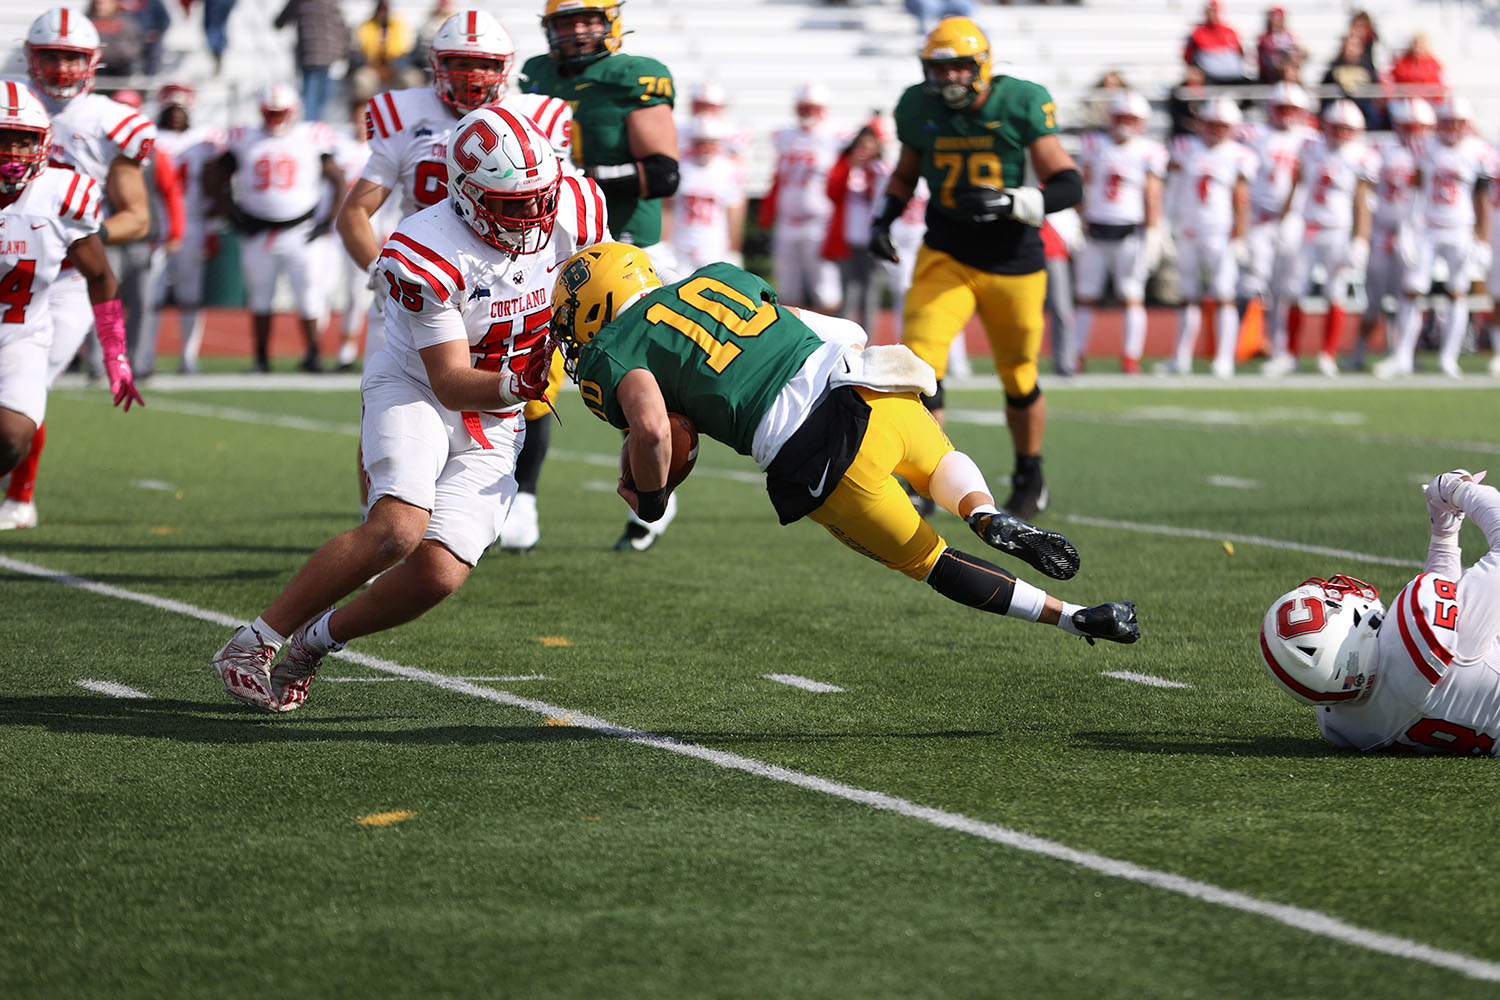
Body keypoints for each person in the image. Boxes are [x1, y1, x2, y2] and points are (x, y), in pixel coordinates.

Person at [208, 107, 610, 713]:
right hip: (419, 387)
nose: (533, 215)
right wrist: (523, 381)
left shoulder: (575, 205)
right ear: (469, 195)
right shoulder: (422, 250)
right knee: (396, 531)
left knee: (440, 574)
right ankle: (254, 641)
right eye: (513, 202)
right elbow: (450, 380)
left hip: (500, 409)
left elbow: (599, 285)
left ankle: (316, 642)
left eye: (540, 197)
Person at [550, 242, 1139, 648]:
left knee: (929, 561)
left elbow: (654, 429)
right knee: (938, 464)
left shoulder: (612, 351)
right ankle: (984, 511)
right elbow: (822, 324)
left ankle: (1075, 617)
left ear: (594, 305)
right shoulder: (717, 277)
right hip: (862, 385)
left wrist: (651, 502)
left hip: (813, 454)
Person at [340, 10, 575, 546]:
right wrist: (380, 271)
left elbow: (560, 202)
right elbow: (354, 213)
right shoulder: (404, 117)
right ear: (435, 64)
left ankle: (485, 513)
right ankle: (381, 516)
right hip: (426, 285)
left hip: (508, 278)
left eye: (482, 63)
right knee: (390, 407)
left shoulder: (538, 117)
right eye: (459, 62)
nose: (471, 75)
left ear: (506, 68)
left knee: (518, 392)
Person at [869, 16, 1082, 519]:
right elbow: (904, 173)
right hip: (946, 252)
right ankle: (926, 476)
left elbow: (1069, 186)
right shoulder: (917, 107)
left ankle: (1029, 470)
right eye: (940, 70)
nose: (950, 80)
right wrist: (884, 216)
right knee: (918, 365)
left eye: (961, 68)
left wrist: (1010, 201)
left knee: (1018, 374)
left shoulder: (1019, 101)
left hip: (1013, 259)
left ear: (982, 66)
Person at [518, 0, 682, 553]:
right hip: (551, 241)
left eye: (588, 19)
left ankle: (654, 484)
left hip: (621, 244)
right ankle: (521, 498)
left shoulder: (632, 77)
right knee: (529, 359)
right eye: (566, 22)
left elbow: (663, 172)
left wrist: (578, 180)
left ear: (611, 22)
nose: (578, 31)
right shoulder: (535, 76)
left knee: (628, 377)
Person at [2, 7, 149, 532]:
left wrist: (74, 235)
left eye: (72, 56)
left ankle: (20, 496)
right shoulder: (7, 98)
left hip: (59, 277)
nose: (62, 67)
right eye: (51, 55)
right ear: (29, 57)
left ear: (92, 62)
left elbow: (137, 216)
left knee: (24, 389)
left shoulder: (107, 122)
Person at [1259, 470, 1500, 755]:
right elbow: (1452, 630)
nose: (1339, 591)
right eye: (1332, 599)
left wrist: (1444, 533)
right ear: (1346, 639)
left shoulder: (1346, 727)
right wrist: (1457, 489)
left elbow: (1453, 625)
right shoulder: (1426, 639)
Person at [207, 83, 344, 373]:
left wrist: (327, 220)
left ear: (293, 112)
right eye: (270, 112)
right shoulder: (245, 138)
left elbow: (338, 180)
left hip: (301, 230)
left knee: (309, 295)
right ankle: (260, 359)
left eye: (280, 112)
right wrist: (232, 214)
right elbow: (214, 177)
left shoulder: (311, 137)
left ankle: (313, 355)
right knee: (260, 297)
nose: (274, 118)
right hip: (258, 231)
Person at [1375, 98, 1496, 379]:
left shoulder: (1478, 152)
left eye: (1458, 123)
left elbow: (1482, 198)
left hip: (1460, 229)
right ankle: (1403, 356)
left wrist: (1483, 238)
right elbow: (1415, 190)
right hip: (1428, 227)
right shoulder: (1424, 146)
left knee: (1457, 290)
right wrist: (1407, 227)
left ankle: (1448, 358)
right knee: (1412, 288)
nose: (1453, 128)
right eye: (1448, 122)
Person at [1261, 100, 1376, 378]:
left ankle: (1328, 354)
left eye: (1346, 128)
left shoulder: (1361, 156)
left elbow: (1362, 203)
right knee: (1295, 290)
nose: (1340, 133)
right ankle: (1290, 354)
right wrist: (1285, 217)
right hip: (1308, 227)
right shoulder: (1311, 147)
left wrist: (1360, 239)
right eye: (1336, 127)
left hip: (1338, 230)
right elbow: (1297, 184)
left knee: (1334, 292)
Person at [1072, 90, 1167, 375]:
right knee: (1086, 294)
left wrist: (1153, 230)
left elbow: (1153, 193)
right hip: (1096, 227)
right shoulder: (1094, 144)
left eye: (1131, 118)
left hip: (1130, 229)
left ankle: (1130, 356)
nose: (1124, 123)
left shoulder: (1149, 150)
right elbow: (1082, 184)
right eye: (1120, 117)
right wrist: (1077, 220)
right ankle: (1077, 355)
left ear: (1142, 122)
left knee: (1131, 294)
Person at [1163, 97, 1254, 378]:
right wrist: (1166, 224)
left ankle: (1224, 358)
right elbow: (1173, 189)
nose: (1215, 130)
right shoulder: (1185, 148)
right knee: (1187, 296)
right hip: (1189, 230)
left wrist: (1240, 236)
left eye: (1221, 125)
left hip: (1220, 232)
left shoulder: (1239, 155)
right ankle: (1181, 357)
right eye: (1210, 124)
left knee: (1225, 295)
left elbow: (1241, 199)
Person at [1241, 82, 1316, 373]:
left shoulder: (1310, 139)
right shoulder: (1255, 134)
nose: (1285, 114)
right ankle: (1265, 345)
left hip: (1295, 219)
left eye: (1291, 109)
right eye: (1281, 108)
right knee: (1258, 286)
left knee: (1290, 289)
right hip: (1261, 217)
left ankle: (1288, 350)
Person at [151, 82, 224, 374]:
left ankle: (187, 356)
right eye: (171, 108)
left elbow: (218, 184)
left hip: (193, 223)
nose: (176, 115)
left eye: (181, 109)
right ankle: (145, 354)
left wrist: (213, 225)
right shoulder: (150, 137)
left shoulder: (204, 141)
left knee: (190, 295)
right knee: (151, 295)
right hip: (157, 225)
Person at [1355, 97, 1432, 372]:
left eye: (1417, 126)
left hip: (1415, 233)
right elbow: (1365, 189)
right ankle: (1359, 351)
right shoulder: (1380, 150)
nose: (1412, 132)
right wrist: (1362, 235)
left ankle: (1404, 353)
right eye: (1407, 126)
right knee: (1373, 299)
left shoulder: (1431, 153)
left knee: (1409, 294)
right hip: (1381, 230)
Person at [757, 81, 844, 313]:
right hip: (787, 221)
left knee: (825, 290)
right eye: (803, 107)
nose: (807, 113)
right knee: (787, 291)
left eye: (812, 108)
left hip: (819, 222)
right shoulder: (785, 136)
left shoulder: (834, 136)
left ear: (823, 109)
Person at [823, 124, 890, 334]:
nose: (863, 150)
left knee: (869, 290)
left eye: (868, 146)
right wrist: (851, 167)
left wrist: (869, 170)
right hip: (846, 240)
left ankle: (868, 337)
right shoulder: (844, 168)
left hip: (870, 240)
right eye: (860, 145)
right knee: (847, 290)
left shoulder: (879, 170)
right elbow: (832, 192)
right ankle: (842, 338)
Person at [665, 115, 745, 272]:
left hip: (714, 245)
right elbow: (667, 207)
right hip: (682, 244)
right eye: (701, 143)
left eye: (711, 143)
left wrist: (734, 248)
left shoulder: (728, 170)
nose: (705, 148)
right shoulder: (681, 167)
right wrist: (665, 240)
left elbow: (734, 213)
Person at [274, 0, 351, 123]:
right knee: (322, 99)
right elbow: (343, 27)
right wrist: (345, 51)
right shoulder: (331, 2)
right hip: (328, 56)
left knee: (310, 98)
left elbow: (279, 22)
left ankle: (310, 127)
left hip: (309, 56)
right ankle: (315, 127)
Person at [350, 0, 424, 100]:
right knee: (362, 80)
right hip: (372, 66)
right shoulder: (365, 27)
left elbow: (407, 52)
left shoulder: (400, 26)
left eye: (385, 9)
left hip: (396, 67)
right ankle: (365, 111)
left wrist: (394, 65)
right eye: (380, 8)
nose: (382, 13)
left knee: (412, 78)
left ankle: (409, 109)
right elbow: (358, 53)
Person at [1183, 0, 1246, 86]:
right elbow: (1188, 57)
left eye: (1215, 11)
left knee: (1253, 88)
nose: (1212, 14)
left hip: (1234, 76)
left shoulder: (1230, 32)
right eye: (1210, 11)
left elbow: (1241, 53)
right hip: (1209, 78)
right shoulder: (1197, 33)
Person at [1388, 32, 1447, 98]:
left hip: (1429, 100)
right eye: (1416, 44)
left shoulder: (1433, 63)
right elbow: (1394, 78)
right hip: (1406, 100)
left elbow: (1441, 82)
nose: (1418, 47)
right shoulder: (1402, 62)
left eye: (1421, 44)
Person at [1255, 6, 1304, 85]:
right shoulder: (1264, 38)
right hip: (1271, 72)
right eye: (1273, 17)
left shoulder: (1289, 36)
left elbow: (1296, 51)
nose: (1275, 20)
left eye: (1278, 18)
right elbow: (1267, 58)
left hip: (1287, 66)